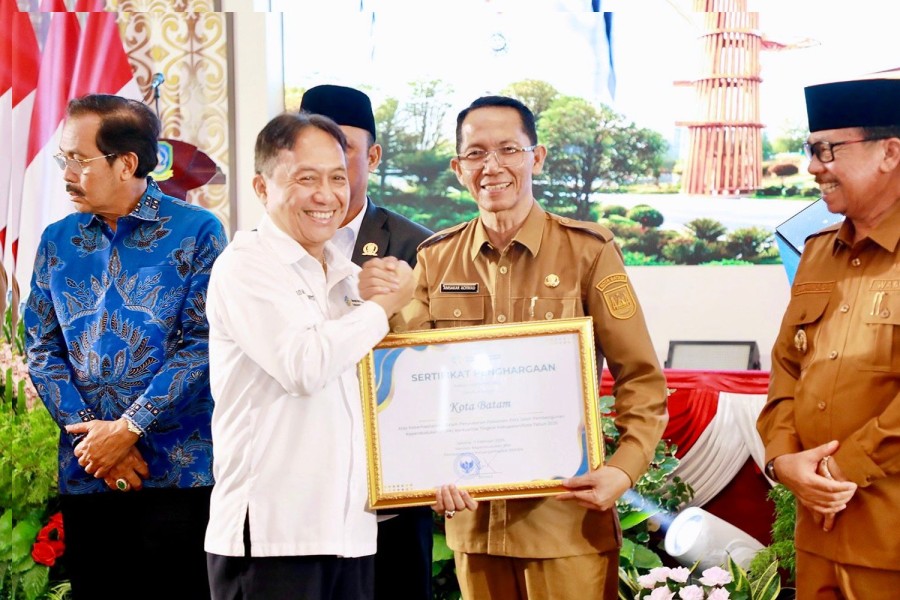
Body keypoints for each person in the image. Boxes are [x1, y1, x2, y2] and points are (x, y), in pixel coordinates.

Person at [389, 95, 668, 599]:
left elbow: (641, 377)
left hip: (566, 523)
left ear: (536, 158)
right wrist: (424, 469)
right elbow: (411, 382)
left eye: (508, 149)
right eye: (475, 153)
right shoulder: (435, 259)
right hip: (473, 521)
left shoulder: (588, 251)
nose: (491, 166)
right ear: (458, 168)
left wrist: (623, 469)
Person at [204, 112, 416, 600]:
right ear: (262, 187)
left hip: (351, 534)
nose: (327, 195)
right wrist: (383, 306)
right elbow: (304, 366)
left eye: (338, 178)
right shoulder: (246, 265)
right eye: (306, 179)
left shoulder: (349, 277)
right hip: (273, 539)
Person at [24, 93, 228, 600]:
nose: (68, 173)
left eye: (79, 159)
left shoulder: (197, 232)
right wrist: (95, 442)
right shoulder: (57, 239)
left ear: (127, 163)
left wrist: (129, 428)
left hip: (178, 472)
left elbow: (203, 343)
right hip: (88, 471)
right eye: (64, 158)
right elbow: (41, 348)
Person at [757, 76, 900, 598]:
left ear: (889, 152)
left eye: (827, 150)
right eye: (810, 150)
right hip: (819, 536)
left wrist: (840, 469)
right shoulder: (817, 252)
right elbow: (786, 368)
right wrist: (783, 460)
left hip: (889, 537)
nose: (815, 167)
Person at [299, 83, 436, 600]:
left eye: (344, 150)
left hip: (390, 490)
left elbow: (434, 363)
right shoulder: (268, 251)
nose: (327, 171)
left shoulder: (418, 245)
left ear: (373, 157)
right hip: (302, 488)